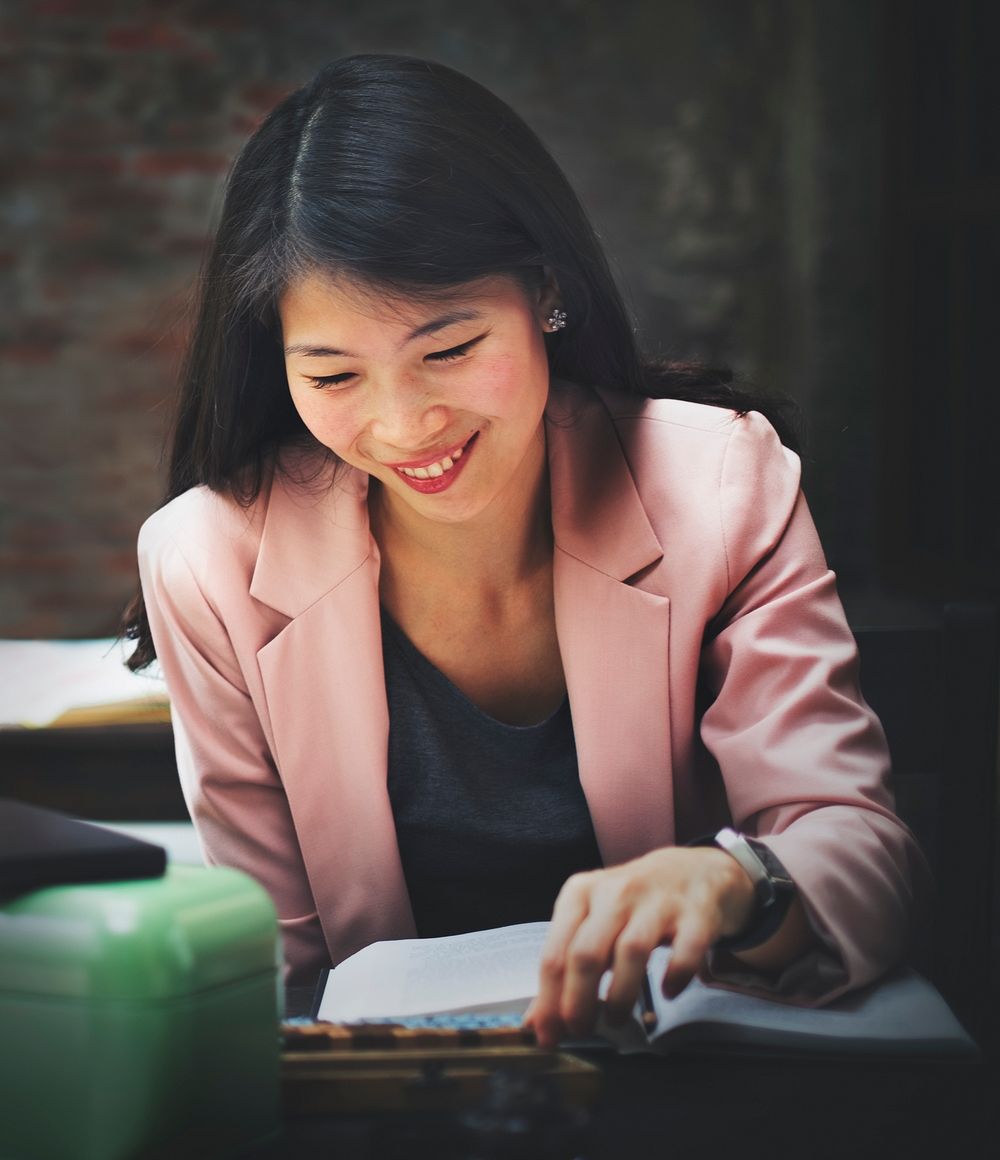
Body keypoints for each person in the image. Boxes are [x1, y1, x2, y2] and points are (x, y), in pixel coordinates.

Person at [125, 54, 926, 1050]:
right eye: (331, 373)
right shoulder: (207, 558)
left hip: (688, 1085)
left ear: (544, 290)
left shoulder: (722, 484)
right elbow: (283, 974)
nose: (403, 422)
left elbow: (861, 854)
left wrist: (736, 883)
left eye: (449, 349)